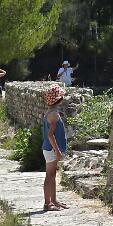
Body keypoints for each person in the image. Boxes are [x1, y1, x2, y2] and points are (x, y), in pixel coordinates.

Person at [42, 83, 68, 212]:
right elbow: (50, 135)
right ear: (59, 99)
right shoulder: (54, 114)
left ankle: (54, 200)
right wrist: (57, 151)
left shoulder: (51, 112)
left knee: (52, 175)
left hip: (48, 148)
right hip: (51, 149)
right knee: (49, 175)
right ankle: (48, 203)